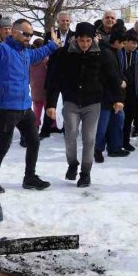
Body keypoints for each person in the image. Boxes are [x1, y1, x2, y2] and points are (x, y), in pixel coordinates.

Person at [0, 18, 60, 193]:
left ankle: (29, 177)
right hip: (6, 108)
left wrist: (53, 45)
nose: (28, 38)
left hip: (25, 108)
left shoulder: (26, 52)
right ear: (14, 32)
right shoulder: (3, 50)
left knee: (34, 142)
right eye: (25, 34)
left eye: (30, 35)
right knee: (3, 145)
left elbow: (40, 53)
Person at [45, 21, 123, 187]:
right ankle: (72, 164)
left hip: (93, 102)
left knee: (89, 139)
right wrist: (51, 104)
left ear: (94, 38)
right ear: (75, 39)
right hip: (71, 101)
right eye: (82, 41)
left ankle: (85, 173)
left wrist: (118, 99)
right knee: (70, 135)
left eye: (88, 41)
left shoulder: (103, 53)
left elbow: (112, 78)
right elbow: (54, 79)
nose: (85, 44)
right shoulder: (65, 53)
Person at [94, 31, 130, 160]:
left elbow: (119, 72)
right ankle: (97, 149)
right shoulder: (107, 53)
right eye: (123, 43)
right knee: (102, 125)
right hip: (106, 95)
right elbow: (111, 76)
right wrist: (120, 84)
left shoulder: (114, 52)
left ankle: (115, 147)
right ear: (116, 42)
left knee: (117, 120)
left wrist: (123, 80)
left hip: (113, 94)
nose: (124, 46)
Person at [39, 11, 74, 138]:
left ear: (70, 22)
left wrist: (60, 48)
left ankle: (67, 129)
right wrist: (55, 45)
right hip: (54, 73)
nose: (65, 22)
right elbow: (47, 53)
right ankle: (46, 130)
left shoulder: (75, 36)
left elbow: (73, 54)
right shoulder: (49, 35)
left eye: (67, 20)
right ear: (58, 22)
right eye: (62, 20)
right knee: (50, 102)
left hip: (69, 75)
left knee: (69, 104)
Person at [119, 30, 138, 151]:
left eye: (136, 44)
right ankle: (115, 141)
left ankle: (125, 141)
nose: (134, 46)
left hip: (134, 91)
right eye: (132, 43)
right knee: (119, 118)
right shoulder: (120, 53)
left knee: (129, 118)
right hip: (121, 90)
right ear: (126, 42)